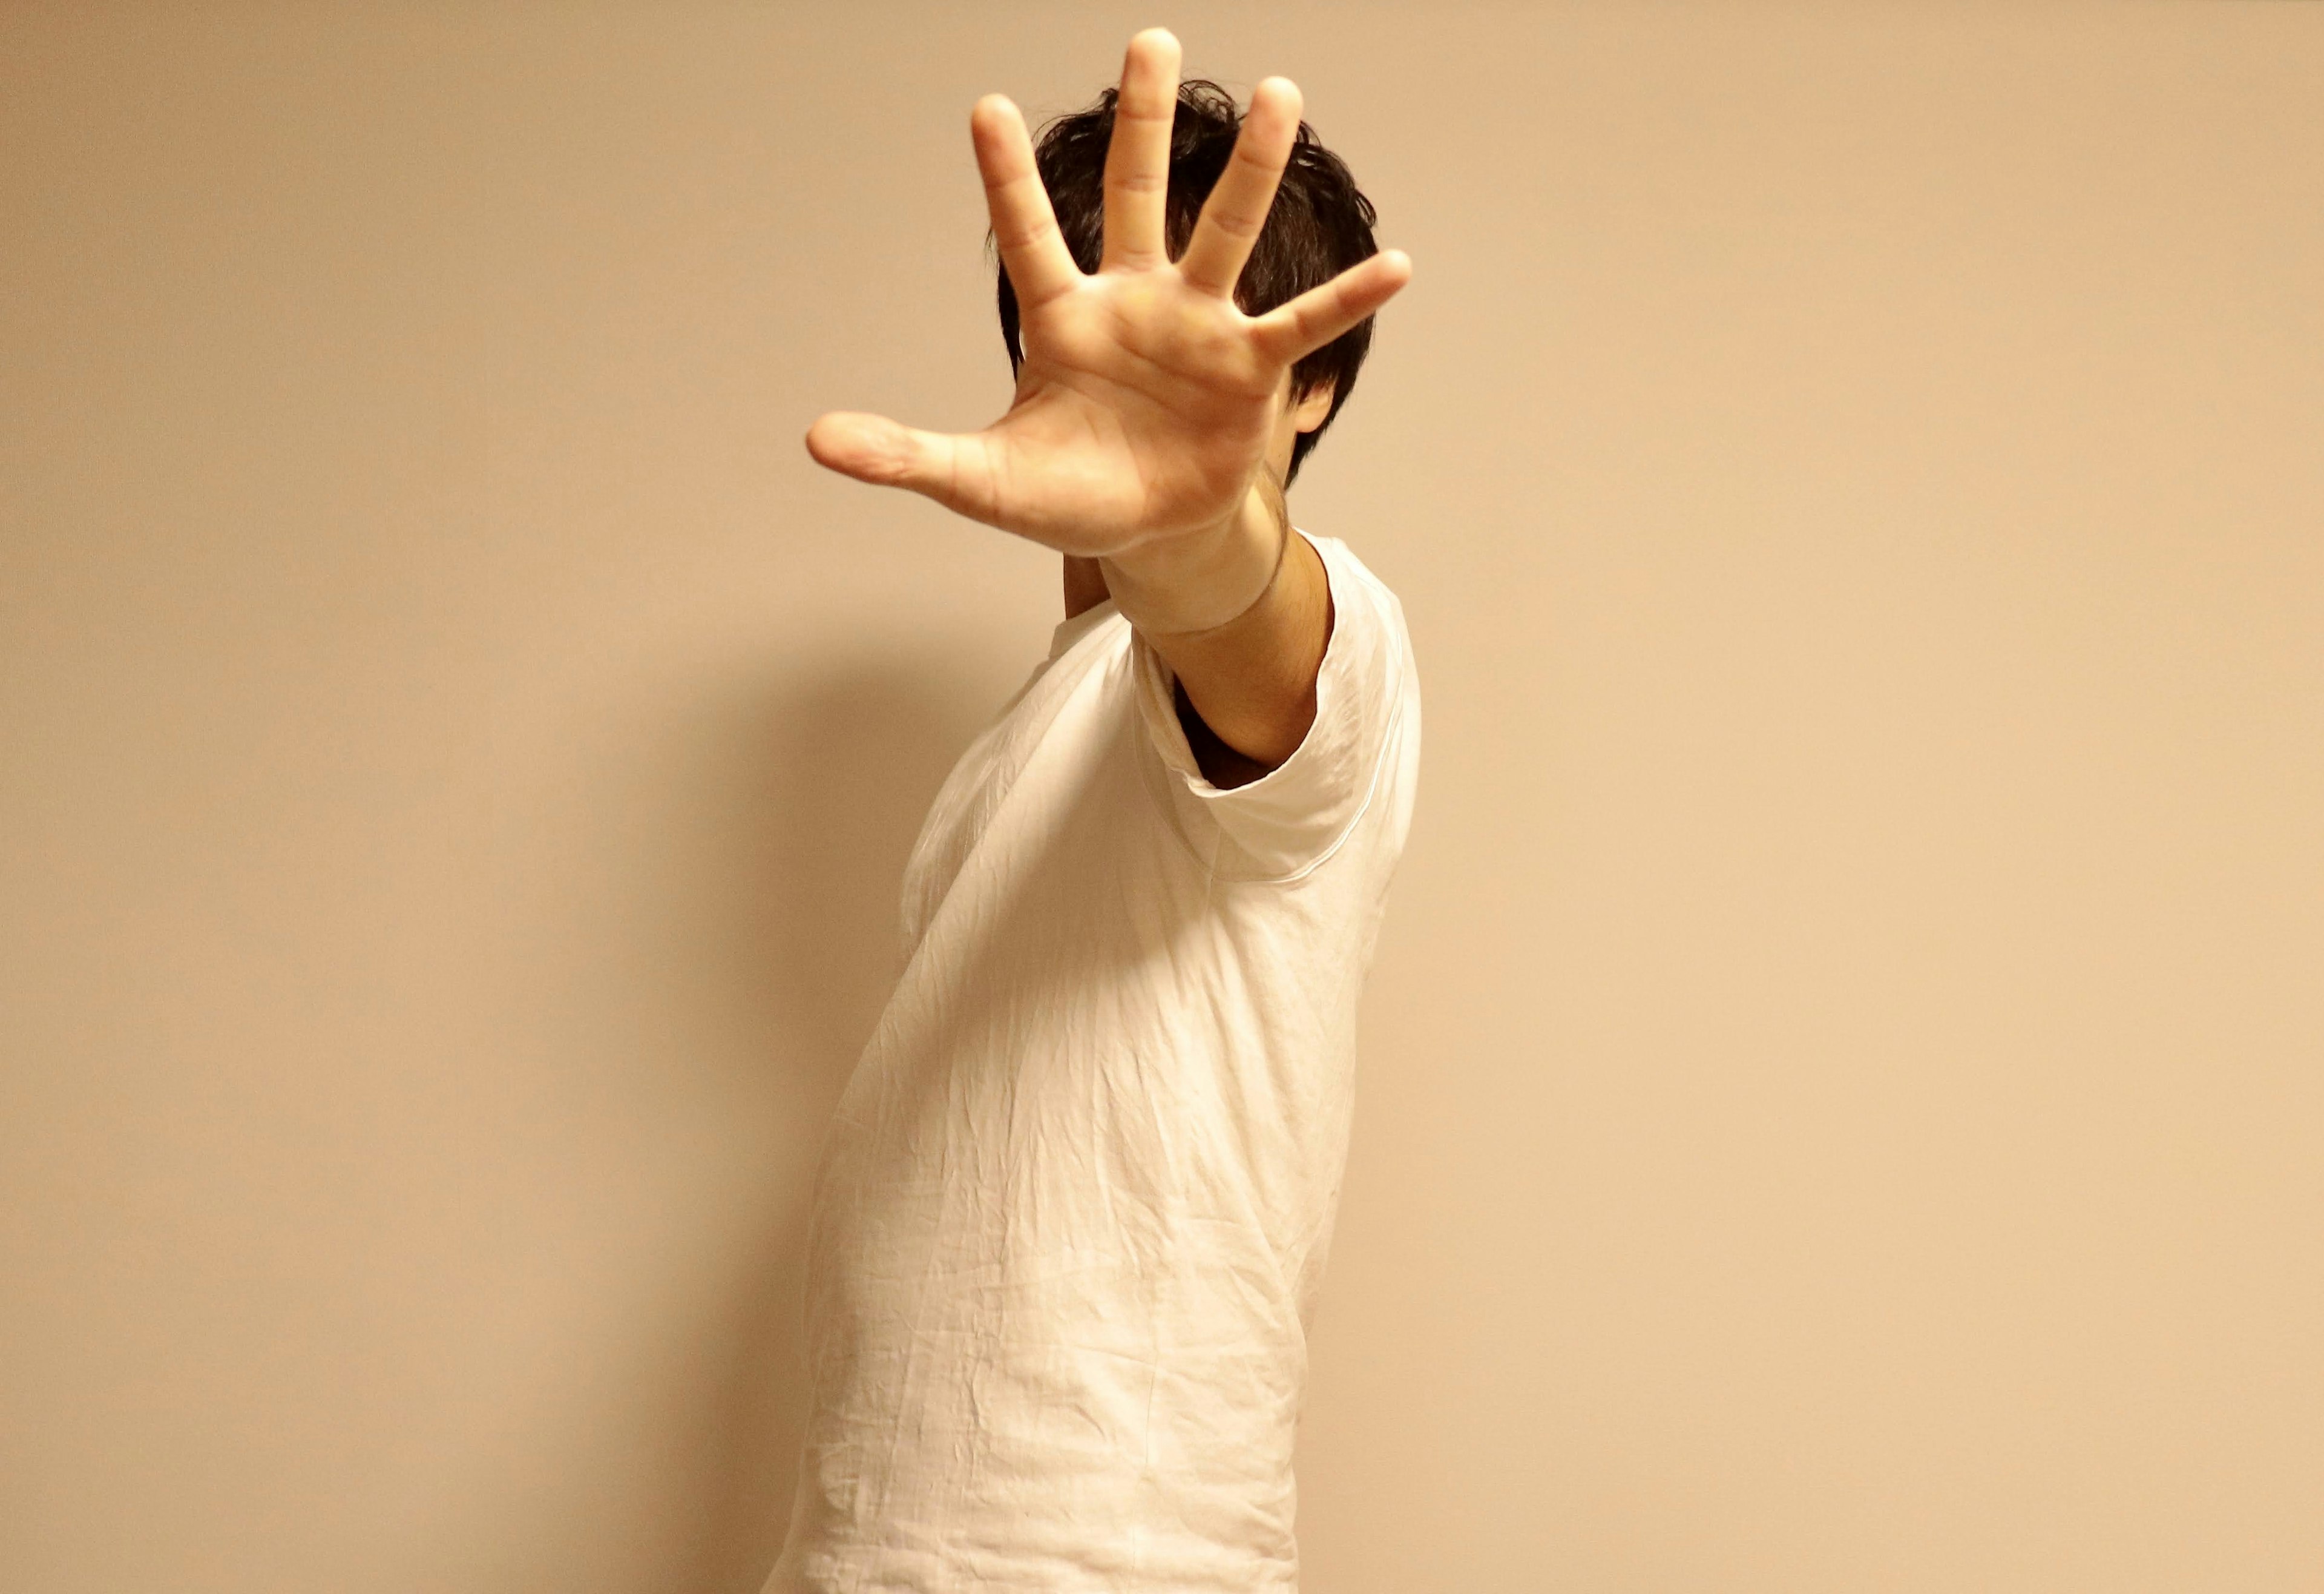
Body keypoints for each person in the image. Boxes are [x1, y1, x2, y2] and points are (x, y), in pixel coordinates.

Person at [764, 28, 1422, 1593]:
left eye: (1207, 357)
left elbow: (1241, 620)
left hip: (1094, 1557)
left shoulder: (1340, 650)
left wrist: (1202, 531)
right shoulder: (1055, 707)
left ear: (1307, 389)